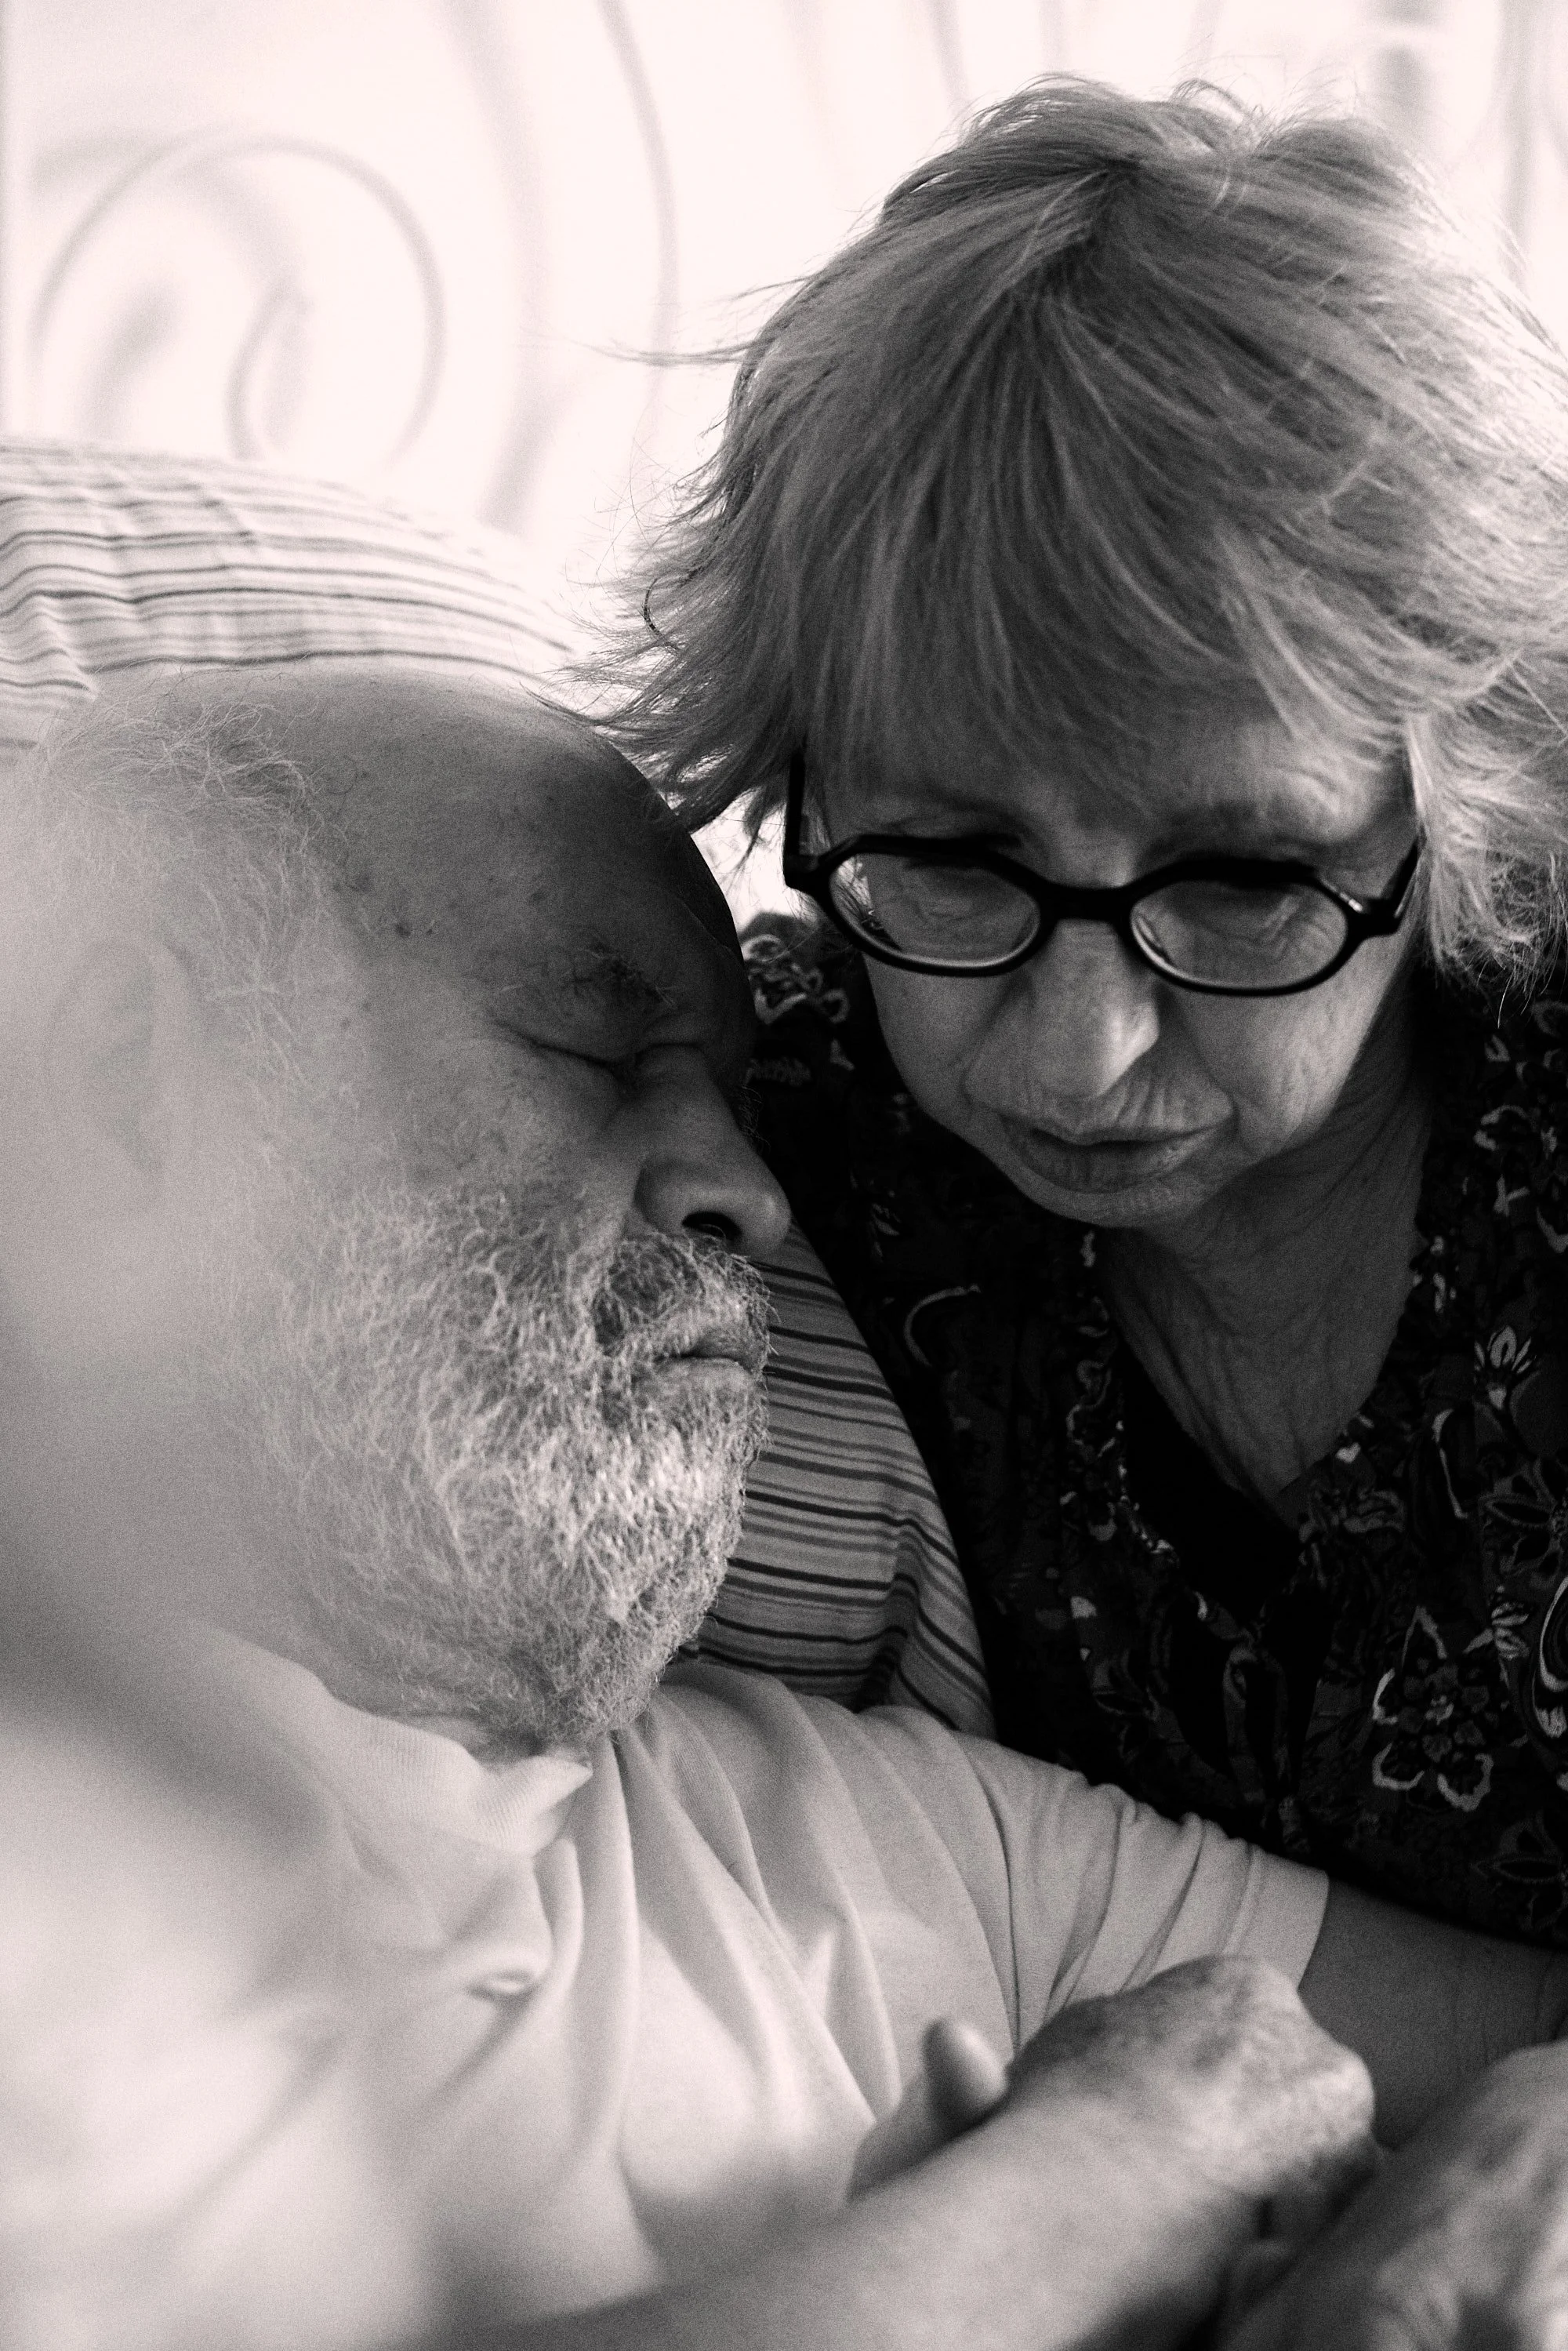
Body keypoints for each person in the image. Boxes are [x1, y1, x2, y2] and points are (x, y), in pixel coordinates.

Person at [9, 666, 1568, 2349]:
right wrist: (1095, 2185)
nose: (750, 1195)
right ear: (125, 1081)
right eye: (598, 1047)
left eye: (740, 1100)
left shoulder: (860, 1828)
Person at [607, 73, 1568, 1949]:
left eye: (1240, 878)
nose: (1074, 1051)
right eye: (953, 859)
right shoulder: (791, 1151)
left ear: (1471, 793)